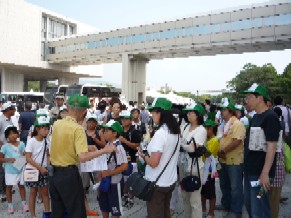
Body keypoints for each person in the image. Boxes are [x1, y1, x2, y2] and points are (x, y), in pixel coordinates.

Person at [49, 94, 116, 218]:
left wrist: (87, 147)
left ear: (68, 107)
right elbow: (83, 157)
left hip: (54, 174)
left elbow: (65, 144)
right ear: (85, 111)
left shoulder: (57, 124)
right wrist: (104, 151)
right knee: (77, 212)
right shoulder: (77, 129)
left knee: (57, 212)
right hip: (68, 175)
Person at [243, 83, 281, 218]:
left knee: (260, 209)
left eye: (249, 97)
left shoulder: (270, 117)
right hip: (249, 171)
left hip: (260, 175)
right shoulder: (255, 117)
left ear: (260, 98)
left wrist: (265, 173)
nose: (247, 100)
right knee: (250, 205)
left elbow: (272, 146)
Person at [138, 97, 180, 218]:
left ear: (160, 113)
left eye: (153, 112)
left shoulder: (161, 133)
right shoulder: (175, 131)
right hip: (170, 181)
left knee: (155, 214)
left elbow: (154, 162)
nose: (151, 115)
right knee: (165, 212)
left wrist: (144, 156)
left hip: (157, 184)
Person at [217, 102, 246, 218]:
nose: (221, 112)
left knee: (235, 187)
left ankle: (236, 210)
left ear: (230, 111)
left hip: (234, 160)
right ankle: (226, 204)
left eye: (223, 110)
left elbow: (237, 141)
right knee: (224, 184)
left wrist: (223, 151)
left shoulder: (237, 124)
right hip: (223, 160)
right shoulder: (225, 124)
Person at [179, 103, 207, 218]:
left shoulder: (201, 130)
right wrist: (185, 145)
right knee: (185, 197)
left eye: (191, 113)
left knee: (194, 200)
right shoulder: (184, 127)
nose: (188, 115)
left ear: (198, 115)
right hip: (183, 165)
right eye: (188, 112)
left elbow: (192, 148)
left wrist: (182, 146)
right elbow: (185, 144)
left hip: (195, 168)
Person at [98, 120, 128, 218]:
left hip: (115, 183)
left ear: (114, 133)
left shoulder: (119, 148)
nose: (104, 132)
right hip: (105, 181)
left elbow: (124, 166)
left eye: (107, 131)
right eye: (104, 130)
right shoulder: (108, 145)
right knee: (104, 207)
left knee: (115, 210)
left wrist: (109, 173)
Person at [25, 116, 51, 218]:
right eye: (44, 128)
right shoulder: (31, 141)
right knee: (33, 193)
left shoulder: (46, 141)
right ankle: (33, 215)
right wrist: (40, 168)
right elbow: (28, 158)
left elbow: (48, 154)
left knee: (45, 193)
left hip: (44, 170)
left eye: (47, 128)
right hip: (33, 169)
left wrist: (48, 165)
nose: (46, 131)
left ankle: (47, 213)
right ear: (37, 129)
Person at [0, 126, 28, 214]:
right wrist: (9, 159)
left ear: (17, 134)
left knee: (21, 186)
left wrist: (23, 155)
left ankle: (24, 204)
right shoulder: (5, 146)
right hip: (10, 170)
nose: (13, 135)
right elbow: (0, 158)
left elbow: (25, 154)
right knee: (9, 187)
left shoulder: (22, 144)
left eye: (14, 133)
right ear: (7, 136)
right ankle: (10, 205)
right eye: (10, 134)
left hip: (20, 169)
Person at [82, 113, 106, 216]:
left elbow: (103, 144)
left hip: (96, 158)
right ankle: (84, 199)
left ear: (96, 123)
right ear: (87, 122)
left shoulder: (99, 132)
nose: (91, 124)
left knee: (98, 178)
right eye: (90, 122)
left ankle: (100, 196)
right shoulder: (82, 132)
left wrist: (95, 139)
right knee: (84, 181)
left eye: (93, 122)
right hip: (86, 159)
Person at [119, 110, 142, 208]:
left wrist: (125, 141)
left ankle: (130, 198)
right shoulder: (119, 131)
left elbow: (137, 146)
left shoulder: (135, 131)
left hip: (132, 159)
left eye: (126, 119)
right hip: (121, 159)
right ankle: (124, 196)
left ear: (131, 120)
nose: (124, 121)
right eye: (122, 119)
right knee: (123, 180)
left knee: (131, 180)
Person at [270, 107, 286, 218]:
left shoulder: (275, 141)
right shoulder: (281, 125)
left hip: (274, 177)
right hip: (270, 178)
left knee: (272, 202)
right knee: (270, 200)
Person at [201, 120, 220, 218]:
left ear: (211, 129)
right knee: (202, 192)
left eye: (206, 128)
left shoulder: (215, 140)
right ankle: (203, 209)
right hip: (202, 169)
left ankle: (211, 212)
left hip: (209, 171)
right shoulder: (205, 139)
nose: (204, 130)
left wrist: (200, 148)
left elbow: (208, 153)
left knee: (211, 193)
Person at [0, 102, 16, 202]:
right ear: (8, 110)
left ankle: (7, 188)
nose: (14, 110)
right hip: (2, 149)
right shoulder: (1, 120)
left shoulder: (10, 120)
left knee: (7, 170)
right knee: (1, 171)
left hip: (8, 148)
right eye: (13, 108)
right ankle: (2, 192)